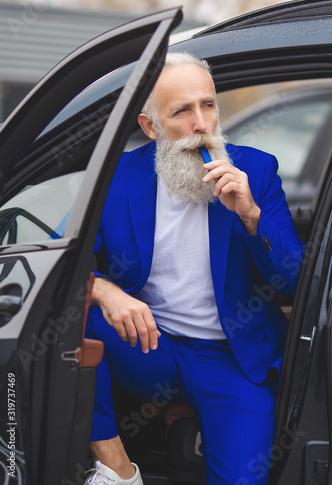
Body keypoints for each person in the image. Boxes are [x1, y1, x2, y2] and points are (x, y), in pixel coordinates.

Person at [84, 52, 304, 485]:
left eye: (208, 105)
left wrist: (251, 217)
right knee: (69, 316)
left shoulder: (256, 170)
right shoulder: (116, 177)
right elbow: (62, 265)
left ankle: (186, 405)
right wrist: (106, 292)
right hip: (150, 345)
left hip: (233, 359)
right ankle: (117, 469)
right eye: (182, 111)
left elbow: (294, 280)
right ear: (150, 127)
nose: (201, 123)